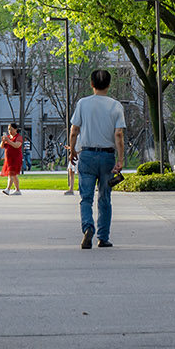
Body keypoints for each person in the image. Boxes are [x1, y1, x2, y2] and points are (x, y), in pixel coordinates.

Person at [67, 68, 126, 248]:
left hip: (87, 155)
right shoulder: (116, 106)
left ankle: (87, 227)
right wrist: (121, 159)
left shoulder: (83, 104)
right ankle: (103, 237)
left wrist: (72, 151)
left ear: (91, 84)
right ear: (109, 85)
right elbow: (118, 135)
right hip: (107, 156)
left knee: (86, 197)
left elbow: (74, 130)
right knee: (104, 198)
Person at [0, 123, 25, 194]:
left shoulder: (18, 137)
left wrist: (8, 141)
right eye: (9, 129)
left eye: (11, 129)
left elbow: (17, 145)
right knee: (13, 174)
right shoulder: (8, 137)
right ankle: (17, 190)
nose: (10, 131)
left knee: (11, 173)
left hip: (16, 158)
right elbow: (1, 146)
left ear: (16, 129)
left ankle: (8, 189)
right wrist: (3, 141)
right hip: (8, 159)